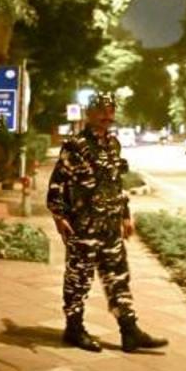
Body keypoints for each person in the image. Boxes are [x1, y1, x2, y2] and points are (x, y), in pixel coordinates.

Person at [47, 92, 167, 353]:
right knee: (79, 277)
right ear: (89, 113)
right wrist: (59, 215)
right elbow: (57, 182)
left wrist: (125, 214)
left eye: (111, 110)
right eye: (101, 110)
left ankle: (129, 330)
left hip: (110, 223)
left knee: (118, 276)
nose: (107, 115)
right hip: (84, 223)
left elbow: (116, 182)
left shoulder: (113, 144)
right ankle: (74, 327)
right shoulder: (75, 145)